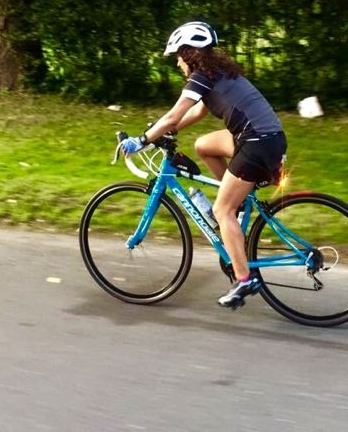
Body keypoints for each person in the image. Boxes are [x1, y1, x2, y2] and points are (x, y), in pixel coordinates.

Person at [120, 21, 287, 308]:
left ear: (189, 53)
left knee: (222, 210)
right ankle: (237, 202)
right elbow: (196, 112)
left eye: (177, 56)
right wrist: (166, 134)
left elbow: (174, 116)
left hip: (256, 144)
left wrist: (143, 139)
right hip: (265, 138)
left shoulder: (201, 76)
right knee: (203, 146)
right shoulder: (217, 72)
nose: (177, 63)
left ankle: (245, 280)